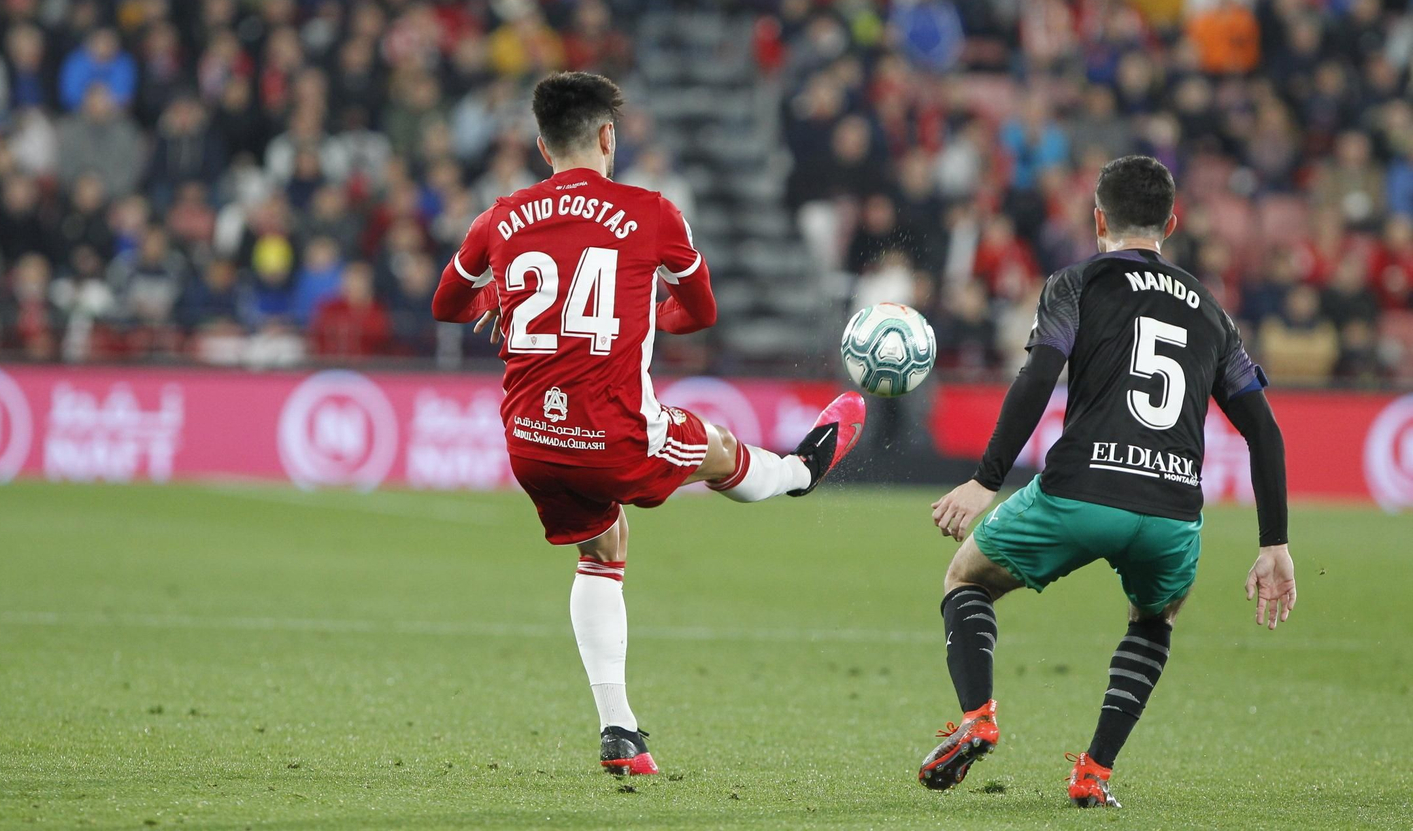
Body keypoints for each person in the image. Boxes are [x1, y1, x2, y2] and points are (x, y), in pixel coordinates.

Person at [431, 72, 866, 776]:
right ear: (609, 136)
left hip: (531, 441)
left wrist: (502, 300)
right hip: (617, 432)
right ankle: (800, 472)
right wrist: (647, 312)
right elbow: (702, 313)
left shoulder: (500, 216)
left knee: (603, 547)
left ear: (542, 146)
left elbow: (447, 304)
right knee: (720, 449)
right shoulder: (651, 212)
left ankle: (620, 733)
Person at [920, 155, 1296, 808]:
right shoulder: (1211, 311)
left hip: (1079, 491)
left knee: (966, 578)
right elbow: (1264, 430)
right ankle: (1094, 771)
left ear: (1098, 218)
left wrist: (985, 480)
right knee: (1154, 618)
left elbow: (1038, 376)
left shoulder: (1078, 282)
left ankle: (978, 715)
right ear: (1171, 223)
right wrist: (1275, 544)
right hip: (1171, 510)